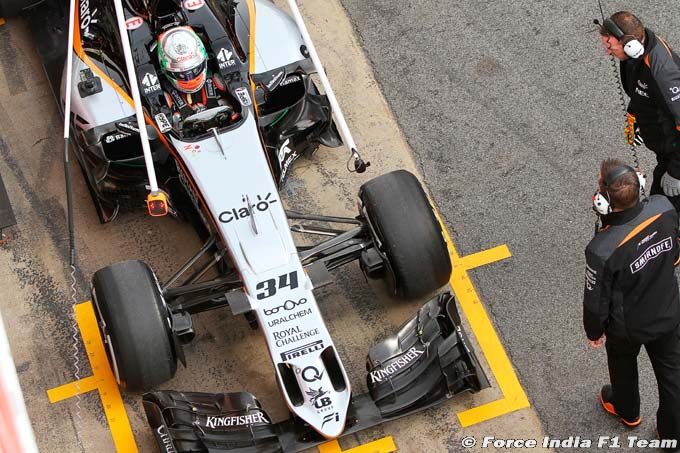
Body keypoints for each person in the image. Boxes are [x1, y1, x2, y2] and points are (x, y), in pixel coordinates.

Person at [584, 158, 680, 446]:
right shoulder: (663, 207)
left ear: (602, 201)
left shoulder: (601, 249)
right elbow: (674, 253)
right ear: (640, 185)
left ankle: (627, 411)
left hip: (627, 327)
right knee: (673, 376)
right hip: (667, 313)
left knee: (622, 362)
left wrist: (594, 331)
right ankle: (672, 433)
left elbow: (594, 299)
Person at [598, 12, 680, 211]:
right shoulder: (635, 55)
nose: (607, 51)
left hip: (675, 157)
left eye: (610, 45)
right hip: (665, 149)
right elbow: (640, 92)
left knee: (660, 213)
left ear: (629, 44)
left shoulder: (663, 75)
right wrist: (635, 116)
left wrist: (676, 172)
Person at [157, 26, 236, 126]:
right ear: (165, 70)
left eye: (195, 70)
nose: (190, 78)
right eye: (182, 74)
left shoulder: (219, 81)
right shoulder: (166, 99)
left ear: (205, 60)